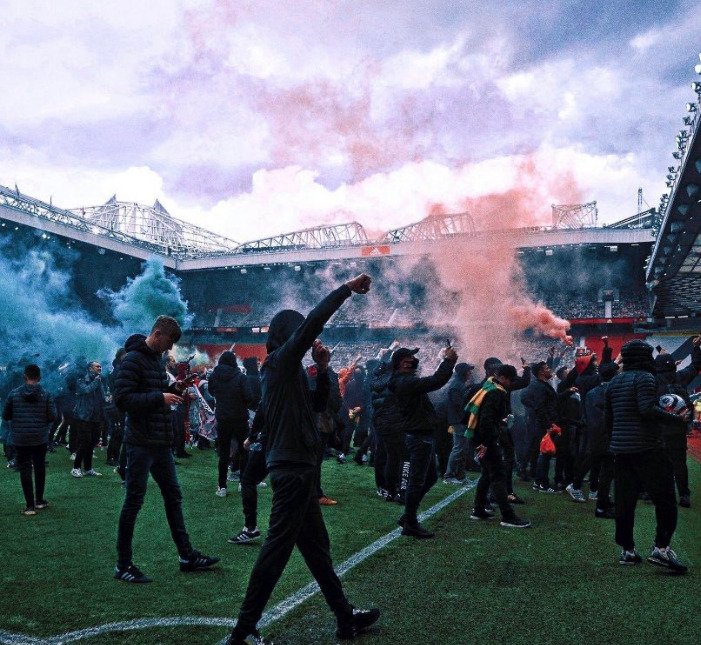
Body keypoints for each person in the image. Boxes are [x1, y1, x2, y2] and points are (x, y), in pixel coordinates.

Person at [226, 274, 379, 645]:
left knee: (316, 549)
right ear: (290, 334)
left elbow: (316, 406)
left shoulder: (287, 370)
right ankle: (244, 630)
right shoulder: (280, 361)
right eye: (300, 333)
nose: (309, 340)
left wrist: (324, 371)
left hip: (300, 469)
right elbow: (313, 323)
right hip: (293, 469)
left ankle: (346, 618)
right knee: (277, 551)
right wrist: (345, 289)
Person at [113, 315, 219, 583]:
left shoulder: (154, 361)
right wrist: (160, 397)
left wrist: (175, 386)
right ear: (157, 334)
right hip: (140, 443)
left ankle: (186, 556)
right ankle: (123, 565)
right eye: (169, 342)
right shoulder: (133, 360)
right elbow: (123, 400)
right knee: (133, 502)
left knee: (173, 496)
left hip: (159, 443)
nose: (170, 349)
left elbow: (157, 389)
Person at [605, 340, 688, 572]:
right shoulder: (645, 378)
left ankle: (628, 551)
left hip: (621, 450)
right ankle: (661, 549)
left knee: (624, 501)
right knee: (666, 500)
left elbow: (609, 419)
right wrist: (676, 419)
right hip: (647, 449)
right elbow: (647, 409)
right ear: (644, 357)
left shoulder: (614, 381)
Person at [389, 345, 457, 539]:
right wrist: (448, 361)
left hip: (421, 433)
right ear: (402, 363)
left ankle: (408, 516)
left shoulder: (402, 380)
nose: (415, 361)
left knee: (430, 478)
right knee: (417, 481)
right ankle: (410, 523)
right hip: (418, 435)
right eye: (411, 357)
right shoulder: (404, 382)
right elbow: (437, 381)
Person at [468, 364, 531, 528]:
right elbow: (487, 421)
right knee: (497, 475)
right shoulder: (496, 392)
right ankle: (507, 516)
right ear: (502, 378)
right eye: (510, 380)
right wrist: (487, 443)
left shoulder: (489, 386)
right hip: (486, 440)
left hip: (480, 438)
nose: (511, 384)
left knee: (487, 474)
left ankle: (478, 509)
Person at [2, 364, 57, 515]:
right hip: (40, 437)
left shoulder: (14, 394)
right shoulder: (46, 394)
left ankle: (29, 507)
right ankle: (39, 501)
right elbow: (53, 416)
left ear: (24, 376)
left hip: (20, 438)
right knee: (39, 467)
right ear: (39, 377)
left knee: (25, 468)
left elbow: (5, 415)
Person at [654, 335, 701, 508]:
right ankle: (684, 495)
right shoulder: (680, 377)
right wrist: (696, 348)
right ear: (673, 366)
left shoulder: (652, 380)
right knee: (679, 464)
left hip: (659, 430)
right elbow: (696, 365)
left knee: (659, 463)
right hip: (678, 429)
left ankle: (659, 493)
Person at [208, 351, 254, 497]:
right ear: (234, 361)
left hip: (222, 419)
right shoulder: (241, 377)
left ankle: (222, 486)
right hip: (240, 418)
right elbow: (249, 397)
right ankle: (243, 483)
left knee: (224, 453)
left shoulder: (214, 376)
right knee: (244, 451)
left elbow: (211, 391)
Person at [584, 361, 619, 518]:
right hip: (610, 438)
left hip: (594, 437)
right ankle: (601, 506)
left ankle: (603, 501)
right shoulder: (614, 392)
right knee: (607, 473)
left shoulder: (591, 393)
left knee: (601, 471)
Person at [522, 361, 562, 493]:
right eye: (547, 368)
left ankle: (539, 482)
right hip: (543, 425)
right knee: (545, 454)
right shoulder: (539, 386)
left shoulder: (538, 384)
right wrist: (548, 425)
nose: (549, 370)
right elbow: (540, 407)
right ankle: (543, 484)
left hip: (541, 423)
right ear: (541, 372)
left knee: (543, 453)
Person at [71, 361, 107, 478]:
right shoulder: (82, 380)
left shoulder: (99, 380)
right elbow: (86, 390)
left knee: (93, 442)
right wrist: (97, 382)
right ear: (90, 368)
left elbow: (102, 396)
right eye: (97, 366)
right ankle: (76, 468)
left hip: (96, 416)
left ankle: (88, 468)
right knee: (85, 442)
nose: (100, 368)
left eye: (100, 366)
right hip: (84, 416)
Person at [443, 363, 475, 484]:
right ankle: (449, 476)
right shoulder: (456, 386)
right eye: (468, 371)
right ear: (463, 373)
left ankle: (460, 475)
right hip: (459, 421)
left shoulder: (459, 384)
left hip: (461, 420)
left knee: (463, 449)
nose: (470, 373)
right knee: (458, 449)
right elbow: (460, 404)